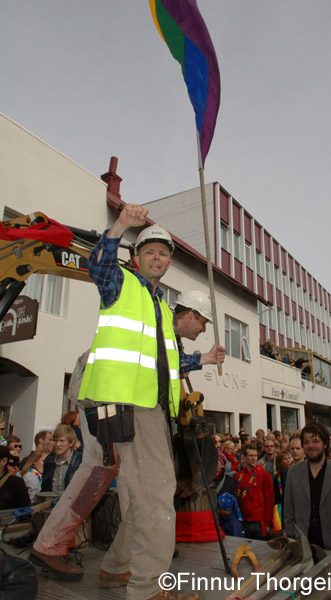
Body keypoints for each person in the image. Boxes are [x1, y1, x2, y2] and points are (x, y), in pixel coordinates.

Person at [31, 205, 224, 599]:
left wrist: (201, 360)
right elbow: (98, 267)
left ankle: (118, 567)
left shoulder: (154, 305)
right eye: (150, 252)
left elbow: (164, 362)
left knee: (136, 488)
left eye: (164, 254)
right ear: (137, 258)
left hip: (130, 403)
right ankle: (147, 587)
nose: (158, 258)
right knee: (149, 487)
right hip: (122, 402)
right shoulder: (123, 284)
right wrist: (119, 226)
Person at [284, 420, 331, 550]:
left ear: (325, 444)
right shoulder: (293, 472)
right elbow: (289, 512)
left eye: (315, 441)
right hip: (303, 548)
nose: (310, 446)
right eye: (306, 442)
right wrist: (294, 536)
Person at [235, 443, 274, 540]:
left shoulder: (264, 475)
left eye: (256, 455)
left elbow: (269, 500)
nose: (254, 458)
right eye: (251, 455)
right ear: (244, 457)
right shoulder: (238, 477)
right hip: (244, 522)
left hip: (259, 523)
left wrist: (267, 523)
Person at [41, 424, 82, 492]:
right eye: (56, 441)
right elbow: (45, 489)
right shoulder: (48, 461)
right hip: (51, 501)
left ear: (71, 443)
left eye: (61, 441)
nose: (57, 445)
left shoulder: (80, 461)